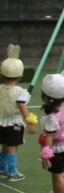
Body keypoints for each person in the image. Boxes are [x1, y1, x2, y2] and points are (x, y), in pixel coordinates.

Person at [0, 44, 36, 182]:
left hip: (0, 123)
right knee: (12, 147)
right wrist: (30, 121)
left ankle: (2, 169)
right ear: (20, 76)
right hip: (13, 125)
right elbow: (21, 105)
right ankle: (12, 172)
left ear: (1, 74)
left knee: (4, 146)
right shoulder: (21, 92)